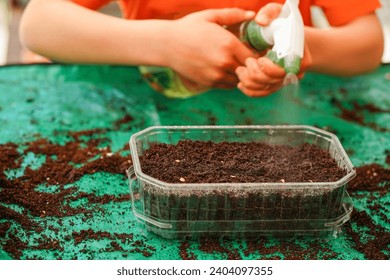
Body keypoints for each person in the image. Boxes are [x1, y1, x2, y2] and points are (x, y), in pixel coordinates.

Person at [19, 0, 384, 97]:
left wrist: (304, 46)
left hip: (277, 110)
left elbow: (368, 44)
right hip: (149, 100)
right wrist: (165, 43)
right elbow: (38, 23)